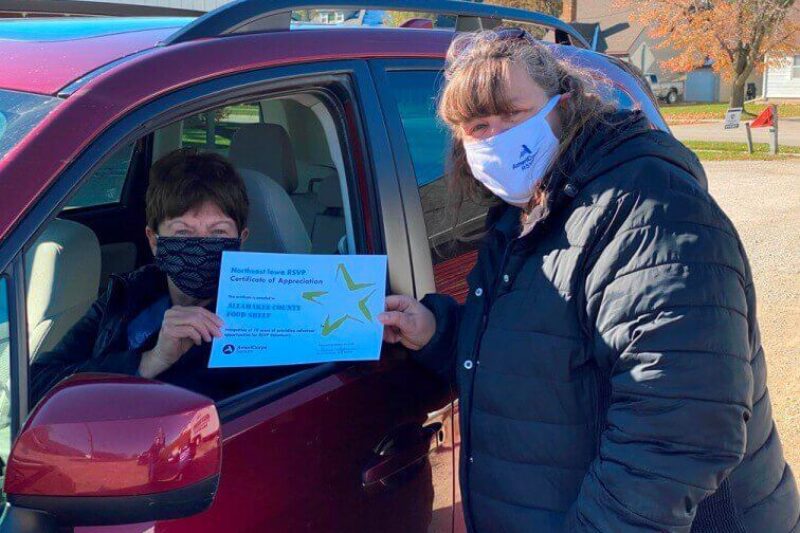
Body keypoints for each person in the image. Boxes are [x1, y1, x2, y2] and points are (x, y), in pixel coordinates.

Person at [379, 29, 799, 532]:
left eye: (510, 114)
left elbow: (678, 433)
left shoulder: (649, 212)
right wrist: (437, 331)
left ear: (566, 103)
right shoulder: (528, 213)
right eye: (474, 126)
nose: (491, 140)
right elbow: (538, 352)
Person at [31, 149, 290, 403]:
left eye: (218, 232)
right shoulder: (127, 295)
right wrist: (150, 361)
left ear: (240, 240)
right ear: (154, 240)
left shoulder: (266, 315)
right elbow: (36, 384)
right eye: (183, 233)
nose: (200, 245)